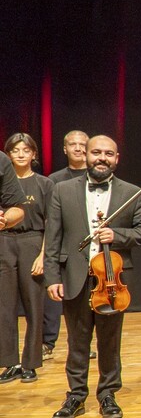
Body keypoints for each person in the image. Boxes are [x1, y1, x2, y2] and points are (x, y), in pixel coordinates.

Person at [45, 135, 141, 418]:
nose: (101, 158)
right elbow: (53, 238)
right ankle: (76, 396)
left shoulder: (132, 192)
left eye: (108, 153)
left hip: (113, 280)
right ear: (86, 155)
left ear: (117, 158)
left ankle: (107, 394)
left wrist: (118, 235)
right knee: (77, 342)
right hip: (75, 276)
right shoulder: (62, 190)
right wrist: (52, 277)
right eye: (96, 152)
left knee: (109, 341)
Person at [0, 134, 53, 385]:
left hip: (33, 242)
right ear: (8, 154)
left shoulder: (44, 184)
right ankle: (10, 362)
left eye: (26, 150)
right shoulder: (4, 181)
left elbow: (51, 223)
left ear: (34, 154)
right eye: (15, 150)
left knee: (34, 305)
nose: (20, 154)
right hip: (5, 240)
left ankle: (31, 363)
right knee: (5, 306)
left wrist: (44, 255)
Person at [43, 130, 89, 360]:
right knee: (55, 296)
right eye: (73, 144)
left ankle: (83, 345)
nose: (79, 148)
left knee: (85, 303)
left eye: (83, 144)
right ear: (65, 148)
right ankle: (48, 342)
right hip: (60, 249)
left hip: (88, 251)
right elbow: (49, 220)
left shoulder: (96, 176)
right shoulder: (54, 180)